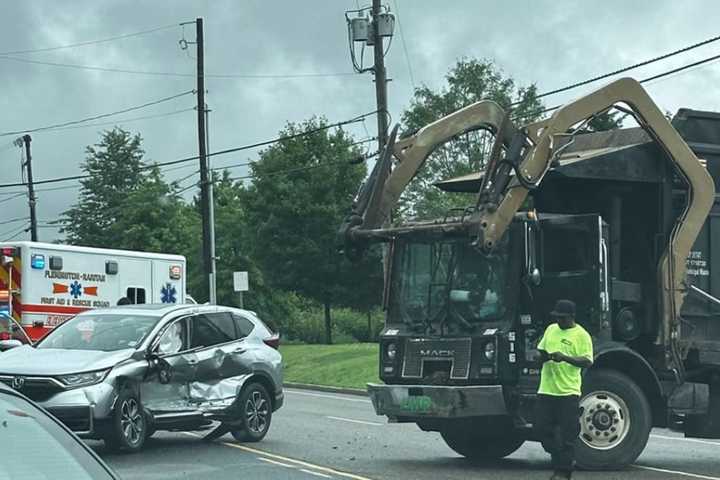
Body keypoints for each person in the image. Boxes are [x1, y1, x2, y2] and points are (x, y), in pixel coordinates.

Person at [535, 299, 594, 480]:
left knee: (568, 434)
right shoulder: (551, 329)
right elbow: (541, 350)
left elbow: (587, 361)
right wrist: (541, 357)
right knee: (541, 429)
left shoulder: (581, 335)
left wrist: (565, 358)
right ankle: (559, 457)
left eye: (562, 318)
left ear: (571, 317)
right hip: (546, 389)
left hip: (568, 392)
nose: (559, 321)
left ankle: (563, 471)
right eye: (557, 317)